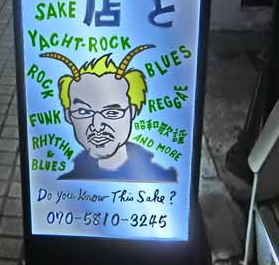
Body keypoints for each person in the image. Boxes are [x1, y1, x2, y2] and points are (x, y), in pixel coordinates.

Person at [41, 46, 177, 182]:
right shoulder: (65, 183)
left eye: (112, 112)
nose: (97, 126)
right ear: (68, 115)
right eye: (83, 112)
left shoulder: (166, 181)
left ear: (132, 112)